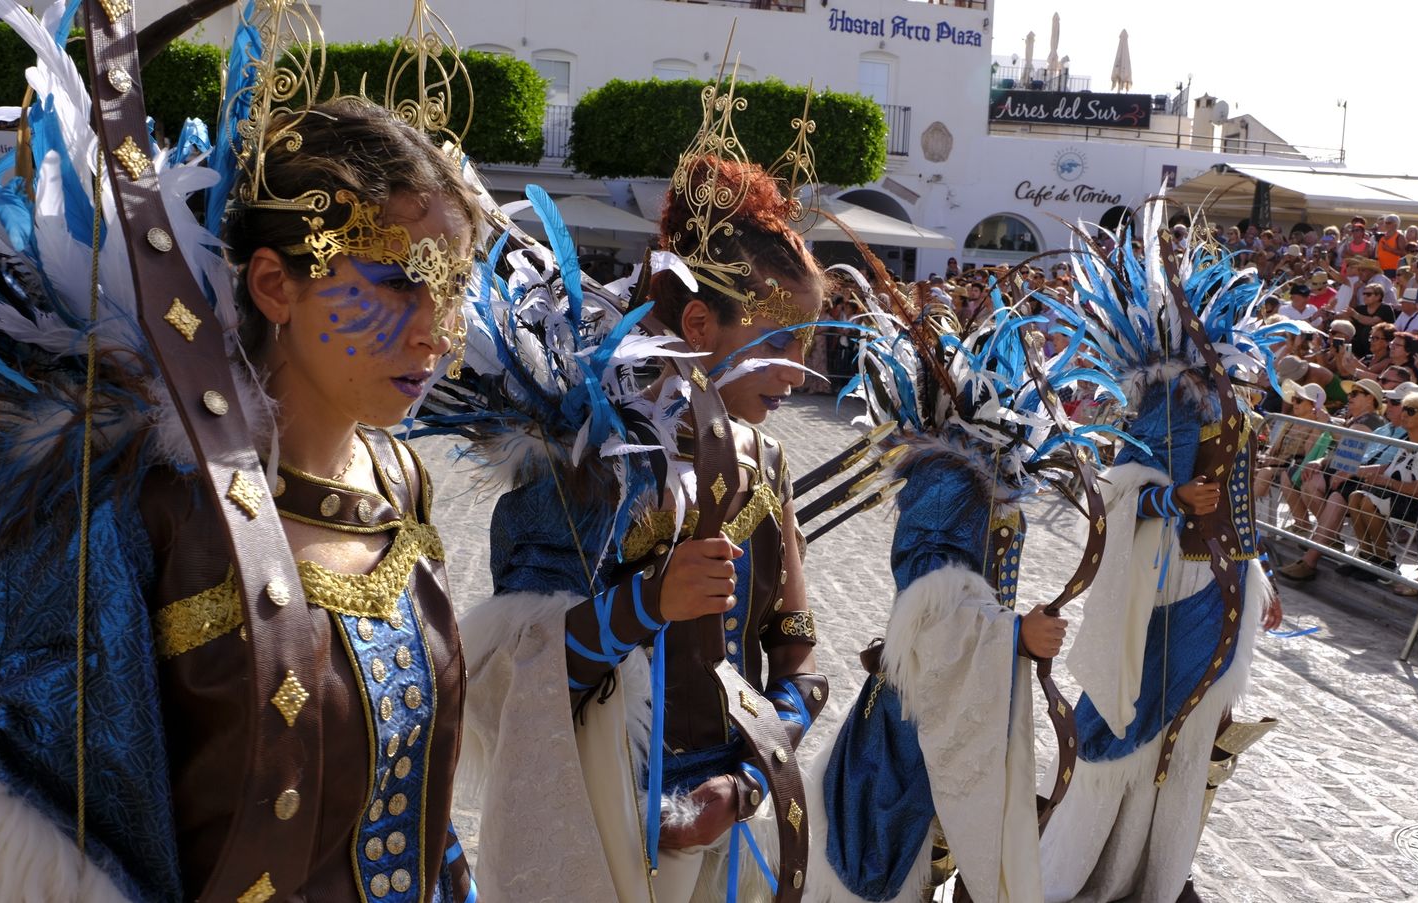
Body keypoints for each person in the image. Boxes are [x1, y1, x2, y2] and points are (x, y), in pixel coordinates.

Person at [0, 4, 481, 902]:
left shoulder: (402, 479)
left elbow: (409, 808)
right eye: (400, 284)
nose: (438, 331)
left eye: (457, 285)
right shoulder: (153, 505)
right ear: (277, 283)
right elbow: (32, 790)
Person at [452, 77, 829, 903]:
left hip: (729, 835)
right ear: (701, 330)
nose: (800, 379)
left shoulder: (764, 465)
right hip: (604, 838)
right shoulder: (585, 462)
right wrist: (648, 603)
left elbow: (796, 655)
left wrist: (747, 782)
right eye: (781, 345)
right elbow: (519, 678)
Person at [803, 257, 1095, 903]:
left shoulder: (986, 465)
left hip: (969, 697)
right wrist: (1014, 634)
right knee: (893, 845)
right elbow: (926, 598)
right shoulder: (947, 471)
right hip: (922, 707)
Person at [1040, 210, 1284, 903]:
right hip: (1170, 586)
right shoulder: (1167, 402)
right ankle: (1087, 870)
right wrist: (1171, 499)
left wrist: (1258, 573)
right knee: (1133, 733)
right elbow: (1118, 491)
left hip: (1225, 582)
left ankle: (1160, 872)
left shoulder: (1228, 399)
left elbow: (1237, 498)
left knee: (1191, 740)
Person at [1276, 383, 1410, 582]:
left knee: (1337, 494)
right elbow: (1351, 454)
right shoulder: (1385, 428)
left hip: (1382, 485)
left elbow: (1388, 465)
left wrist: (1350, 470)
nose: (1388, 405)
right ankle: (1330, 545)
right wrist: (1320, 461)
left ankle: (1312, 558)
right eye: (1389, 401)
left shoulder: (1388, 427)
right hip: (1358, 477)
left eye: (1395, 403)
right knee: (1312, 480)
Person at [1343, 392, 1418, 576]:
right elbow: (1392, 466)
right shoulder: (1408, 440)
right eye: (1404, 409)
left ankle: (1383, 560)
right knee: (1356, 497)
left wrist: (1386, 481)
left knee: (1369, 501)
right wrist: (1358, 471)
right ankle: (1367, 556)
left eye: (1411, 411)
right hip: (1397, 495)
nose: (1403, 414)